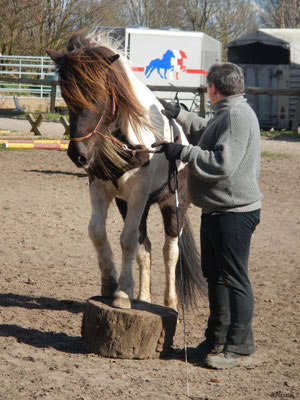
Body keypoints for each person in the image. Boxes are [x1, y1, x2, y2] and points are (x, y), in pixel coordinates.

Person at [154, 62, 262, 370]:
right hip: (219, 211)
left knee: (234, 277)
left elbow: (222, 163)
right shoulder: (229, 113)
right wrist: (179, 115)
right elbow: (207, 130)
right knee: (215, 276)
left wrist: (183, 153)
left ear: (213, 88)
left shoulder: (237, 117)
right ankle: (216, 338)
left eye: (206, 85)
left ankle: (240, 345)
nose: (206, 89)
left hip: (234, 213)